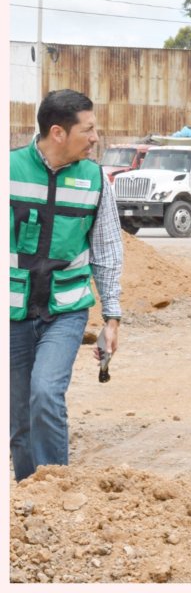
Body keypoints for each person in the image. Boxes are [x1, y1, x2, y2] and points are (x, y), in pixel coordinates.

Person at [10, 89, 123, 481]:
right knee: (19, 418)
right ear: (58, 132)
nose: (95, 138)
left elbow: (107, 250)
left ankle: (56, 489)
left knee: (45, 393)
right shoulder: (10, 171)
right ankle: (32, 495)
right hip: (13, 312)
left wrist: (112, 317)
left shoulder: (95, 180)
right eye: (87, 130)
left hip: (66, 310)